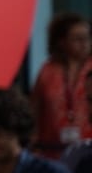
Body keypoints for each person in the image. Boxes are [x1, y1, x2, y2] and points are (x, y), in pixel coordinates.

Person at [33, 13, 92, 159]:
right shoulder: (47, 71)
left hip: (88, 148)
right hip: (51, 150)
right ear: (61, 41)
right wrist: (33, 143)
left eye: (87, 37)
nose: (84, 43)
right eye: (77, 38)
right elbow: (35, 110)